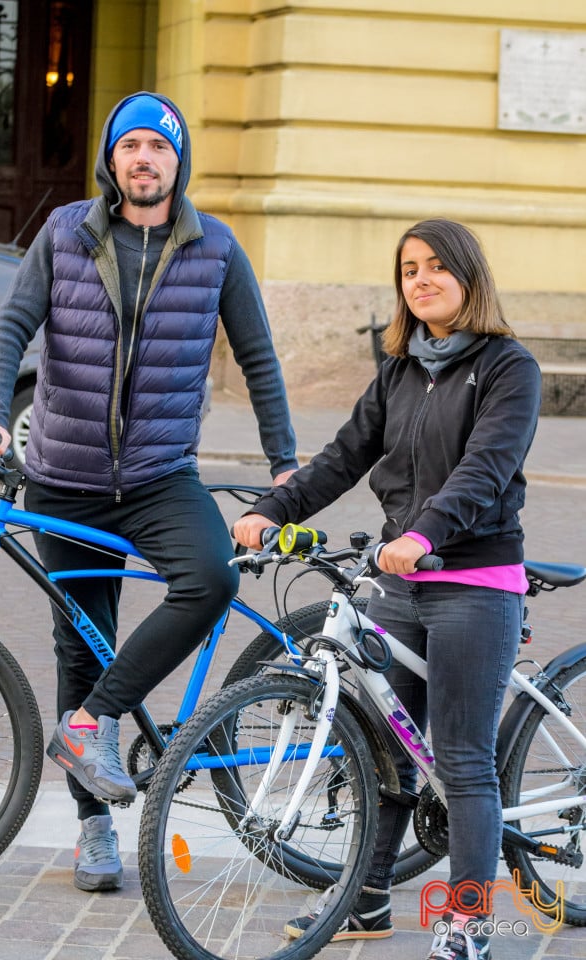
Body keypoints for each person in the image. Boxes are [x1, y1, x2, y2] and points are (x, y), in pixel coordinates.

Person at [0, 91, 298, 893]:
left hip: (158, 478)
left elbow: (259, 357)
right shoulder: (65, 231)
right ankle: (93, 826)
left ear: (178, 162)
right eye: (130, 145)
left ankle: (91, 721)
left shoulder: (215, 246)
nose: (143, 158)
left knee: (210, 576)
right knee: (81, 644)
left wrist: (286, 462)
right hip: (64, 482)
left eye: (159, 146)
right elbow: (12, 330)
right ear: (111, 160)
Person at [233, 218, 542, 960]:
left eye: (437, 266)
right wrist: (273, 510)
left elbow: (485, 469)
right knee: (382, 754)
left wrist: (423, 533)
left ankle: (470, 925)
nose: (422, 279)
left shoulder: (509, 367)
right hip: (401, 584)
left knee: (462, 759)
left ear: (469, 276)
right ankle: (365, 906)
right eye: (409, 270)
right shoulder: (401, 370)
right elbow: (345, 456)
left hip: (473, 580)